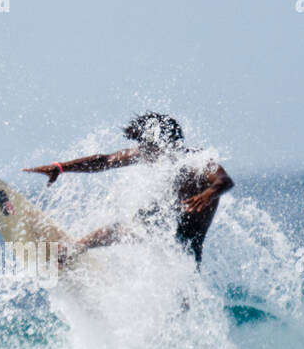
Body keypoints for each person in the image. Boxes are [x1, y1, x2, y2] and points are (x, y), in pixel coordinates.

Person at [24, 112, 234, 267]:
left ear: (162, 141)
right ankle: (75, 249)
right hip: (164, 229)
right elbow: (105, 160)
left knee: (183, 296)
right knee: (131, 224)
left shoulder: (197, 160)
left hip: (186, 249)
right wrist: (61, 168)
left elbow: (225, 180)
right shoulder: (152, 155)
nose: (142, 150)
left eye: (146, 144)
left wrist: (208, 193)